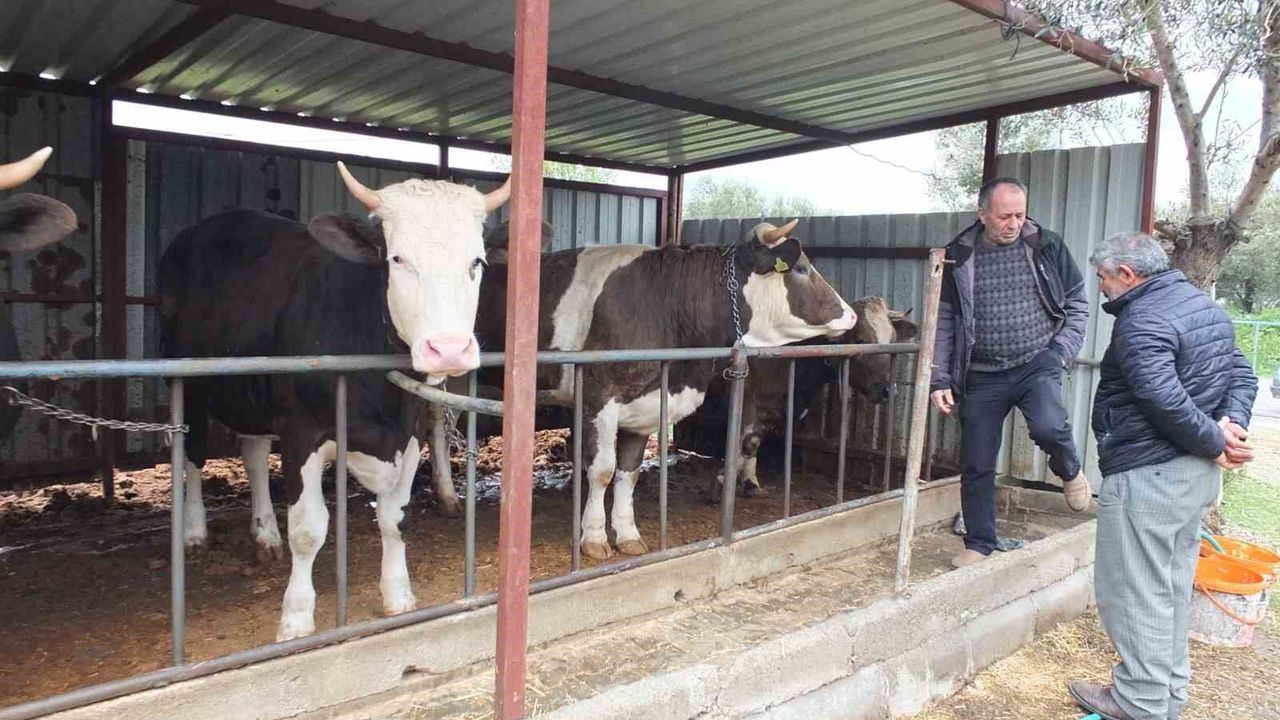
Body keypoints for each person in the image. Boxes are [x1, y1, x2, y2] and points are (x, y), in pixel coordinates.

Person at [1068, 232, 1256, 720]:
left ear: (1128, 274)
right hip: (1192, 479)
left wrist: (1217, 440)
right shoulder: (1202, 307)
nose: (1102, 287)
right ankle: (1166, 692)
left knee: (1133, 590)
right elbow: (1241, 373)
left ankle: (1141, 701)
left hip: (1150, 476)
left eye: (1104, 277)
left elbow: (1162, 398)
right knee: (1169, 587)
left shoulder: (1142, 320)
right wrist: (1231, 425)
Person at [930, 177, 1093, 569]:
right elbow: (944, 320)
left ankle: (1069, 468)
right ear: (983, 214)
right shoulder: (959, 254)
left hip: (1037, 361)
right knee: (977, 460)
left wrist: (1060, 351)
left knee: (1050, 427)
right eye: (1005, 216)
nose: (1014, 223)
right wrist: (939, 378)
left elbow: (1077, 302)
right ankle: (979, 542)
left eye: (1020, 215)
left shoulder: (1046, 245)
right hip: (981, 373)